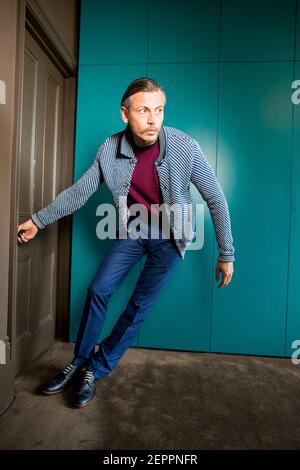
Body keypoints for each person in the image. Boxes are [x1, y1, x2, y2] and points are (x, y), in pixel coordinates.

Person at [17, 77, 235, 408]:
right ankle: (78, 362)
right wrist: (38, 220)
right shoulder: (109, 149)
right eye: (143, 110)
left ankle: (97, 367)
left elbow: (216, 199)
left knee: (137, 307)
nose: (153, 119)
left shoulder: (184, 147)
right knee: (98, 289)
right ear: (125, 114)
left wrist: (226, 253)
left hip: (171, 239)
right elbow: (80, 191)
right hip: (134, 231)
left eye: (159, 110)